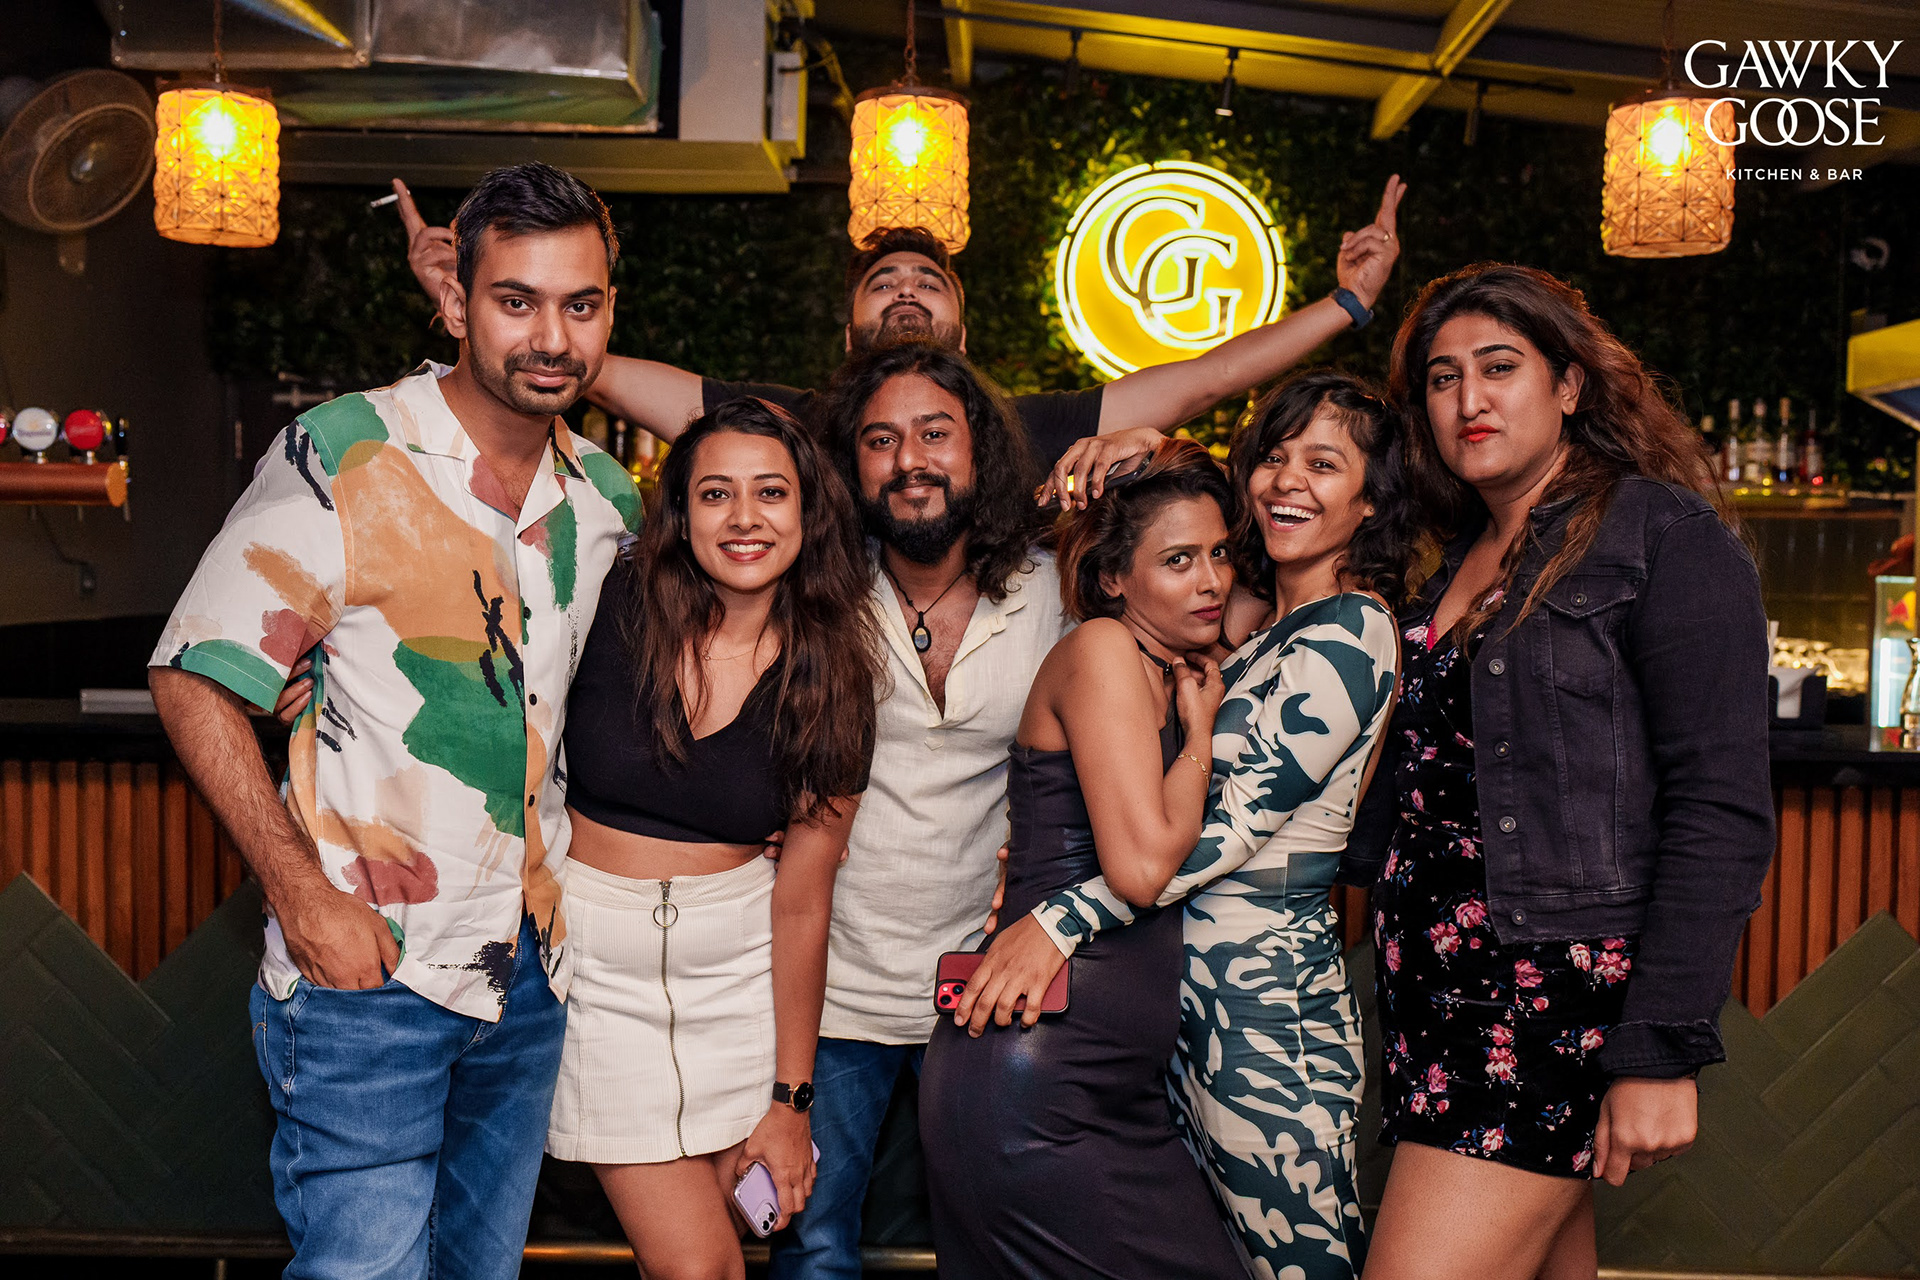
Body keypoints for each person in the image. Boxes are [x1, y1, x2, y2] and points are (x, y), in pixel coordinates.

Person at [149, 162, 638, 1280]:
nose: (551, 337)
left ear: (611, 310)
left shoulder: (607, 499)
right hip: (370, 972)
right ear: (457, 304)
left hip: (527, 974)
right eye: (515, 300)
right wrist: (304, 897)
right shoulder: (348, 451)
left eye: (581, 304)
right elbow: (193, 675)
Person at [1352, 264, 1774, 1280]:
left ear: (1570, 384)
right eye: (1443, 378)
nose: (1470, 398)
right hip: (1432, 991)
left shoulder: (1662, 535)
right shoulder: (1450, 556)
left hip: (1546, 1000)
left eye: (1499, 367)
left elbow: (1720, 809)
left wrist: (1662, 1047)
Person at [952, 371, 1410, 1280]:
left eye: (1323, 464)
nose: (1288, 480)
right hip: (1184, 1014)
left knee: (1299, 1268)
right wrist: (1156, 445)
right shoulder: (1261, 629)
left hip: (1267, 1017)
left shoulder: (1351, 631)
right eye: (1274, 457)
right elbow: (1163, 559)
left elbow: (1233, 826)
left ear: (1371, 503)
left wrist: (1058, 917)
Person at [391, 175, 1408, 506]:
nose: (909, 289)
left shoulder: (1026, 427)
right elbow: (582, 364)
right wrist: (469, 298)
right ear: (851, 329)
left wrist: (1348, 305)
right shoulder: (795, 423)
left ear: (962, 326)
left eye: (930, 282)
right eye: (886, 282)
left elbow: (1201, 380)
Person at [549, 397, 879, 1280]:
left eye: (771, 492)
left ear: (808, 512)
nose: (744, 518)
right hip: (597, 973)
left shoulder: (833, 676)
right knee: (701, 1268)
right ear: (681, 512)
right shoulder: (612, 600)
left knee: (745, 1233)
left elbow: (803, 900)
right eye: (715, 493)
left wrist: (791, 1100)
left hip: (736, 974)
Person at [917, 438, 1250, 1278]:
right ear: (1111, 578)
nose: (1210, 581)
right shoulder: (1103, 649)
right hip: (1037, 1084)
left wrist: (1157, 442)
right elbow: (1141, 871)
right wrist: (1200, 736)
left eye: (1219, 554)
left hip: (1100, 1083)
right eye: (1178, 560)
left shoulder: (1167, 660)